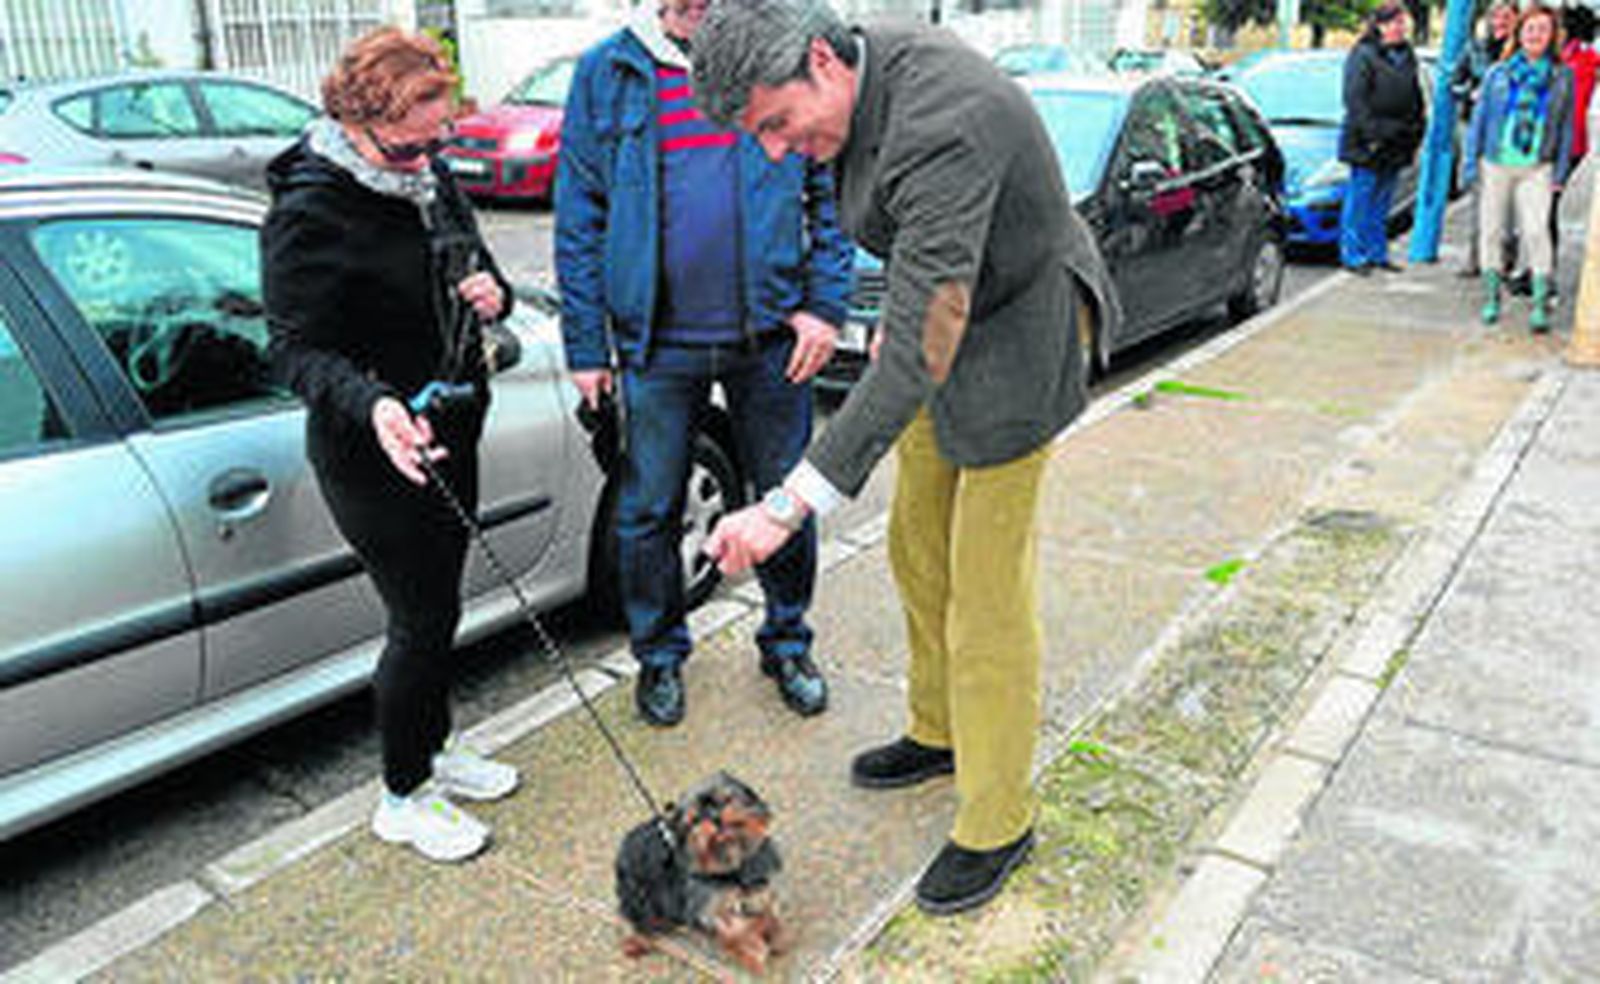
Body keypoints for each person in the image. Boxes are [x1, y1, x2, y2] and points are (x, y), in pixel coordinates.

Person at [692, 0, 1121, 915]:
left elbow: (933, 330)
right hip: (946, 310)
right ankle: (940, 729)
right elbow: (925, 276)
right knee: (915, 542)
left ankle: (999, 816)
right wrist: (906, 312)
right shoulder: (857, 79)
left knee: (986, 591)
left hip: (1020, 330)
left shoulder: (943, 119)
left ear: (820, 61)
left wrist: (781, 508)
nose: (774, 150)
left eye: (775, 123)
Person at [555, 0, 853, 728]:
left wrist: (825, 305)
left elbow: (833, 186)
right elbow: (580, 211)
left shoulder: (775, 48)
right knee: (649, 508)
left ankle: (787, 641)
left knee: (787, 498)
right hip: (656, 344)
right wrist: (588, 345)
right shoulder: (608, 71)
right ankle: (658, 657)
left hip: (775, 337)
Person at [263, 27, 519, 863]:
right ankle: (402, 794)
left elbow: (477, 268)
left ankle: (437, 751)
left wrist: (494, 293)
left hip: (452, 426)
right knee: (420, 618)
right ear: (361, 125)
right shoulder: (310, 208)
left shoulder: (432, 174)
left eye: (438, 141)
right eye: (410, 147)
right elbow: (295, 351)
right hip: (372, 445)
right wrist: (372, 404)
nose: (427, 160)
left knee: (445, 606)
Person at [1465, 3, 1575, 331]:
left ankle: (1540, 304)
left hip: (1537, 165)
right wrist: (1471, 165)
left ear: (1552, 35)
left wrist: (1560, 173)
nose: (1536, 35)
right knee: (1492, 231)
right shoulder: (1497, 73)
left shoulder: (1561, 76)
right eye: (1530, 29)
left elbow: (1567, 126)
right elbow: (1479, 122)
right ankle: (1491, 297)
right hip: (1495, 162)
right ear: (1519, 33)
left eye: (1543, 29)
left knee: (1537, 231)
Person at [1337, 0, 1425, 276]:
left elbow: (1414, 94)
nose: (1400, 28)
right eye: (1395, 23)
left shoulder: (1407, 55)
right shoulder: (1362, 54)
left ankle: (1377, 252)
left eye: (1403, 23)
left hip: (1396, 141)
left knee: (1383, 202)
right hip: (1367, 142)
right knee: (1360, 201)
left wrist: (1415, 128)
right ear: (1380, 25)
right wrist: (1374, 135)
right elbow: (1355, 100)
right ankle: (1353, 255)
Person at [1454, 0, 1519, 279]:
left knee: (1508, 201)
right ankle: (1475, 257)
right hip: (1478, 130)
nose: (1500, 23)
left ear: (1516, 19)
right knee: (1480, 197)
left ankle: (1505, 258)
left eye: (1506, 17)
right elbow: (1455, 82)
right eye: (1496, 17)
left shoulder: (1521, 52)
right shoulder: (1475, 48)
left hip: (1511, 134)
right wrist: (1471, 93)